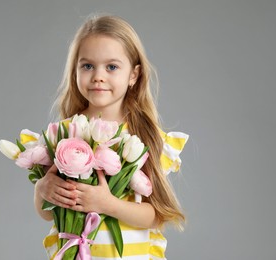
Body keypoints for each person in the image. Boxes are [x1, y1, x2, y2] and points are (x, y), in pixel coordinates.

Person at [34, 14, 188, 259]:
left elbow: (156, 216)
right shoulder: (64, 134)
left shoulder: (143, 136)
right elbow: (47, 213)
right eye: (87, 66)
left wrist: (108, 204)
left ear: (133, 75)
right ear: (74, 71)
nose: (98, 76)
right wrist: (43, 189)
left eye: (112, 67)